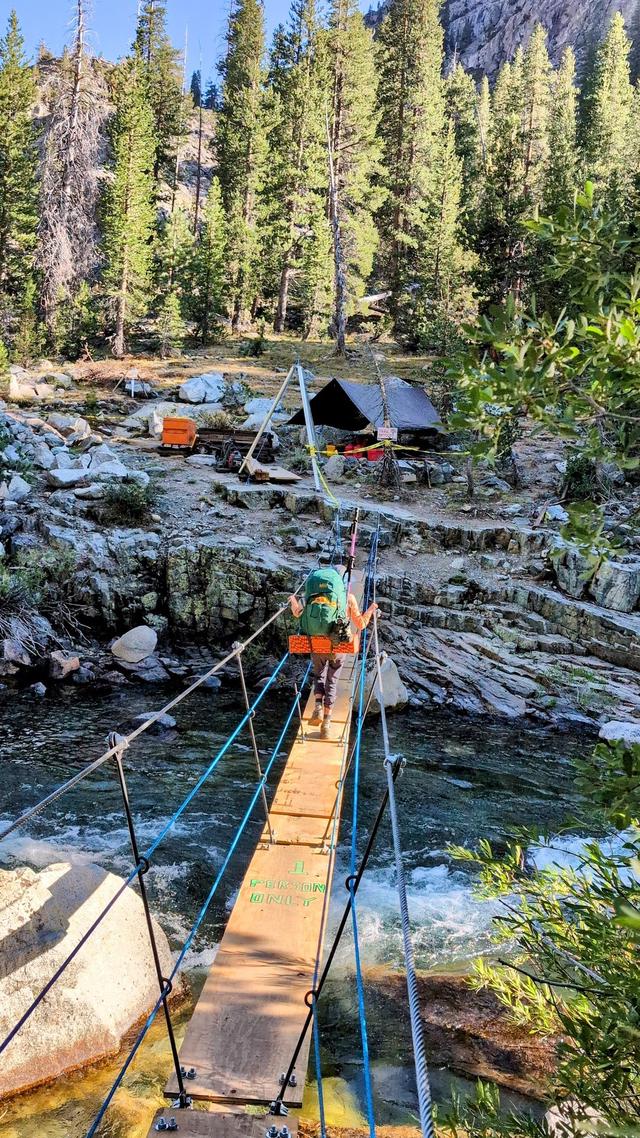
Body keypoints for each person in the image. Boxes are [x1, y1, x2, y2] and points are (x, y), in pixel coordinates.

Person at [288, 585, 379, 738]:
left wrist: (292, 600)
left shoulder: (311, 595)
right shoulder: (348, 598)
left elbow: (297, 612)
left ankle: (317, 704)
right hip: (337, 647)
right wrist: (371, 609)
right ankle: (326, 723)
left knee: (319, 675)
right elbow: (361, 624)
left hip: (316, 645)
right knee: (332, 680)